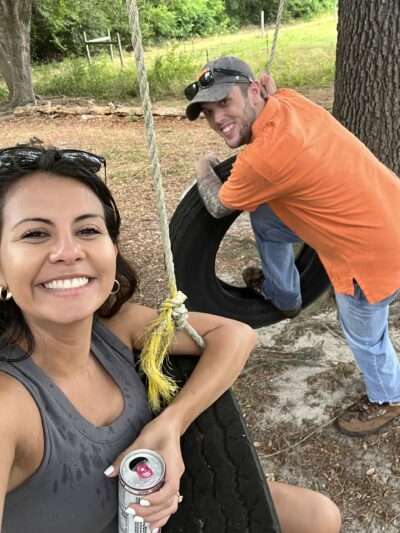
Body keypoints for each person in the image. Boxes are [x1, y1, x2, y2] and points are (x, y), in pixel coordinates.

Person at [0, 145, 341, 533]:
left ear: (112, 251)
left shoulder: (115, 327)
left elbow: (235, 334)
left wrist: (170, 425)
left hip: (149, 513)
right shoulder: (8, 405)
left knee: (317, 516)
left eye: (88, 230)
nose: (68, 251)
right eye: (35, 234)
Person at [185, 55, 400, 438]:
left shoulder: (262, 158)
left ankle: (389, 397)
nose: (217, 119)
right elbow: (274, 93)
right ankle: (284, 294)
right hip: (389, 212)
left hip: (370, 255)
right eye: (208, 112)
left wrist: (205, 166)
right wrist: (262, 94)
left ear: (254, 91)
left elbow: (217, 205)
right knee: (266, 219)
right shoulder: (291, 103)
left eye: (224, 102)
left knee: (366, 336)